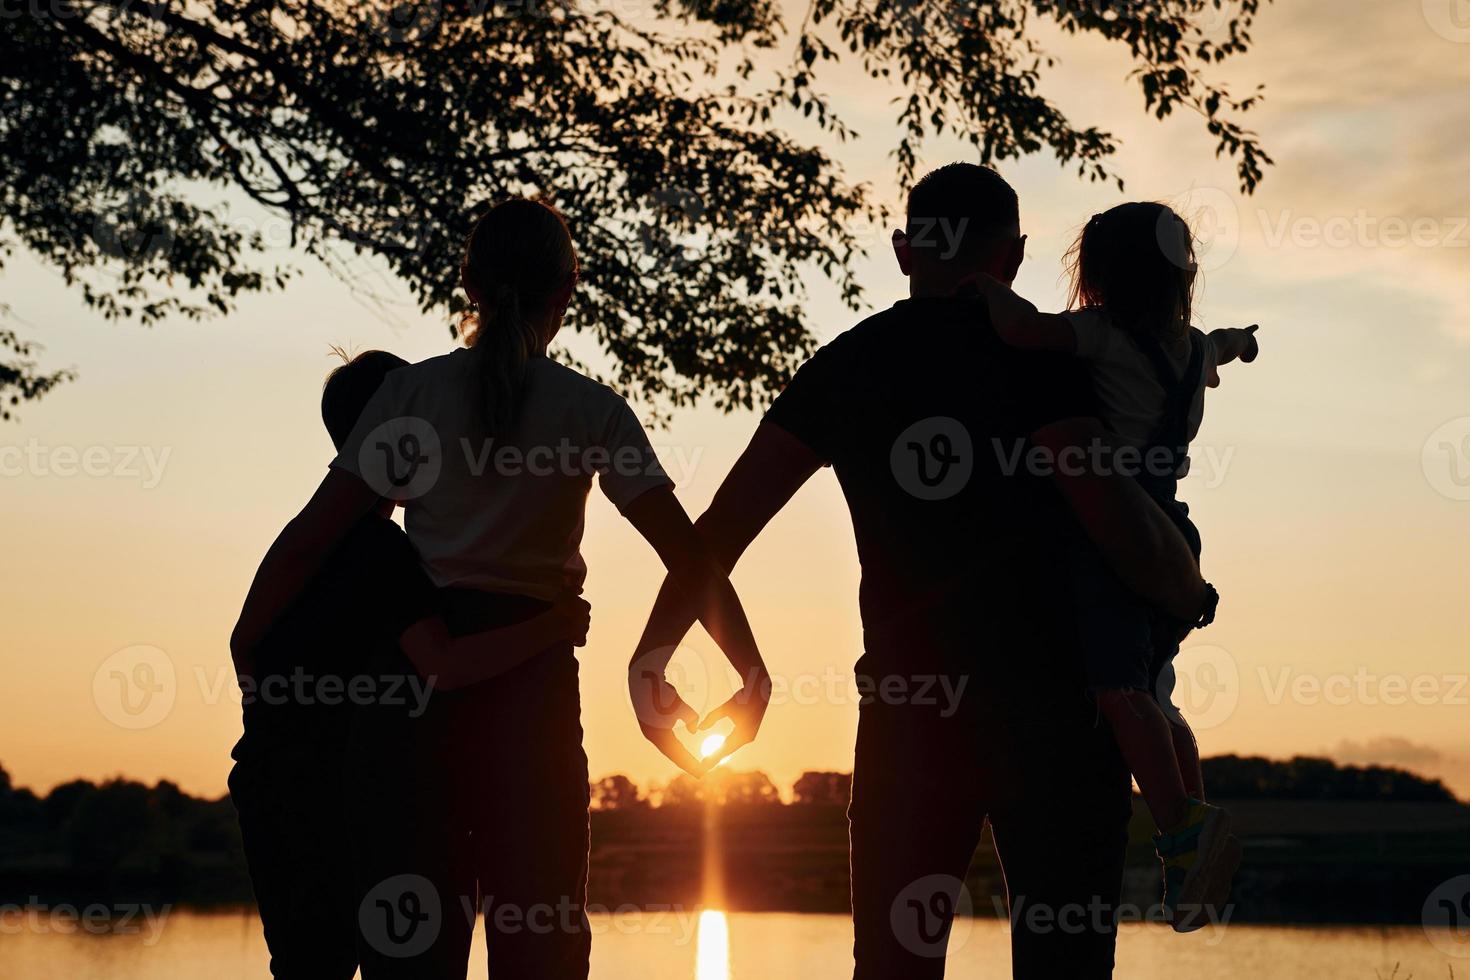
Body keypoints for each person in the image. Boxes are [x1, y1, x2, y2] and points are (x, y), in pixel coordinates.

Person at [633, 163, 1217, 979]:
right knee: (1067, 965)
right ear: (1012, 259)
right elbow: (1117, 525)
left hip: (913, 723)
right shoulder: (1054, 362)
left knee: (893, 969)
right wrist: (1193, 596)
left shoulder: (847, 365)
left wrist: (655, 655)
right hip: (1061, 720)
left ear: (905, 251)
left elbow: (716, 536)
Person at [230, 198, 768, 980]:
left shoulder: (409, 397)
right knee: (540, 948)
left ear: (468, 287)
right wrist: (749, 673)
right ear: (568, 291)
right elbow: (689, 556)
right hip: (532, 692)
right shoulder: (592, 410)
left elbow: (314, 537)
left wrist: (249, 644)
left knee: (409, 952)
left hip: (414, 703)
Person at [228, 349, 591, 980]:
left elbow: (243, 644)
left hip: (267, 784)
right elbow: (443, 664)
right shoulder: (383, 555)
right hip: (335, 800)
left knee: (304, 964)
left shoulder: (297, 550)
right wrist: (555, 625)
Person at [971, 201, 1259, 929]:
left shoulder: (1096, 335)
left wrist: (984, 284)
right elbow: (1221, 347)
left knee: (1115, 689)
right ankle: (1196, 827)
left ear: (1098, 273)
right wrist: (1241, 344)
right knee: (1156, 697)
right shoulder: (1191, 347)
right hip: (1176, 534)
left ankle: (1178, 832)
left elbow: (1023, 331)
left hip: (1114, 535)